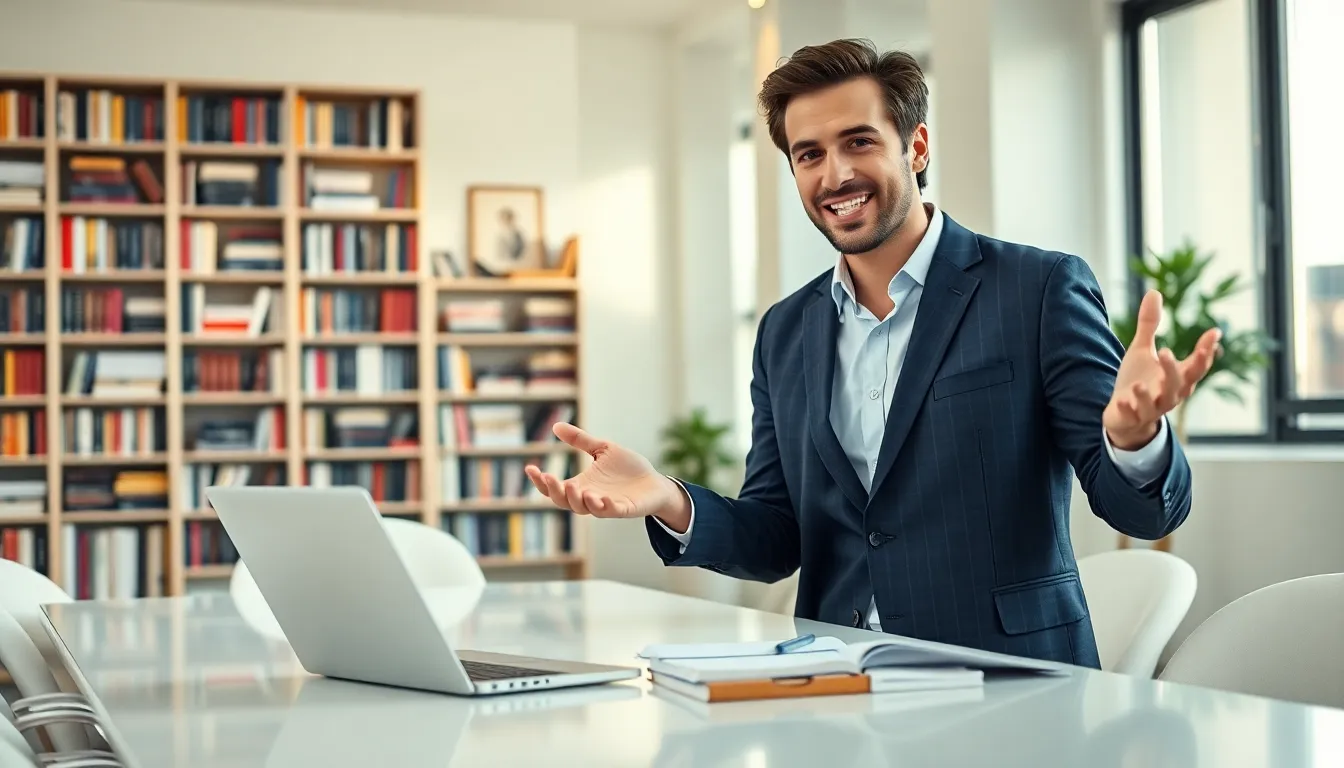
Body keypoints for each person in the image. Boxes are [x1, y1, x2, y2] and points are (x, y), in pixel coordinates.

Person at [525, 39, 1219, 668]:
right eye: (809, 154)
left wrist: (1135, 439)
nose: (835, 175)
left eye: (859, 142)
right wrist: (669, 499)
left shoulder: (1036, 289)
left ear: (916, 147)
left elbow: (1146, 515)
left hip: (1011, 686)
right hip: (837, 685)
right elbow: (778, 538)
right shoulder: (785, 332)